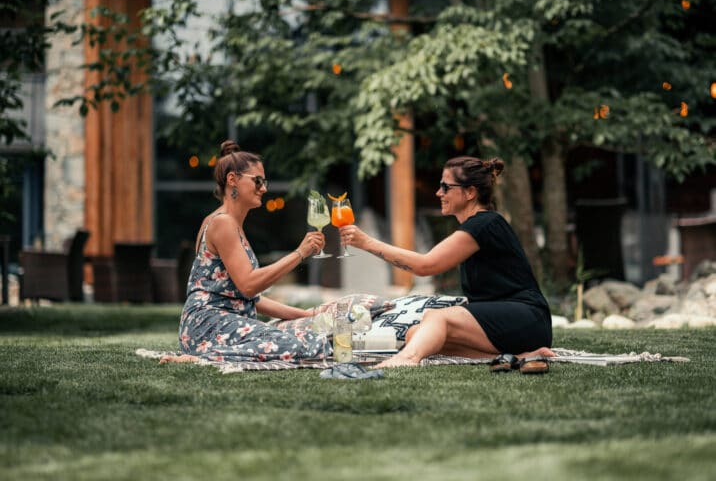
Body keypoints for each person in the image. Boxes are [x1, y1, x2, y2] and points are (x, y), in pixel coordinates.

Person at [339, 156, 554, 371]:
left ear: (470, 192)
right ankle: (519, 355)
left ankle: (408, 359)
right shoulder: (475, 227)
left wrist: (367, 243)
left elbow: (425, 266)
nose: (438, 193)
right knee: (417, 333)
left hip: (526, 318)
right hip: (504, 323)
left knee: (436, 319)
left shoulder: (485, 223)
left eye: (445, 186)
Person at [161, 140, 327, 365]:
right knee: (304, 346)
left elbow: (251, 298)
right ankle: (202, 358)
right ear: (232, 180)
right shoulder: (222, 224)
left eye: (264, 181)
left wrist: (307, 315)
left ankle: (208, 355)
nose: (264, 188)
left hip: (217, 323)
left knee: (314, 339)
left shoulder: (229, 224)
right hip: (208, 325)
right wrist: (300, 253)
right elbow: (248, 284)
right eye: (258, 181)